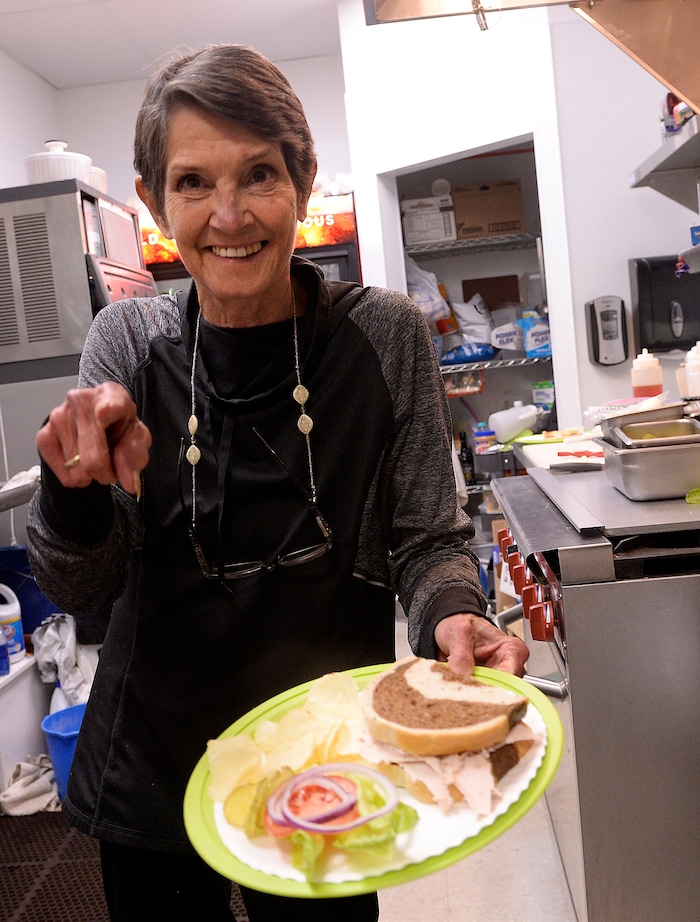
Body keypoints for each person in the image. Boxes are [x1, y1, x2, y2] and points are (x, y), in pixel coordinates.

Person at [26, 43, 528, 922]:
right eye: (191, 183)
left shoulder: (385, 336)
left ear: (302, 179)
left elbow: (428, 540)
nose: (229, 216)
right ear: (152, 201)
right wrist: (70, 495)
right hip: (154, 766)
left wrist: (457, 614)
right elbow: (83, 588)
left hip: (332, 759)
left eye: (259, 173)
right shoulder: (127, 346)